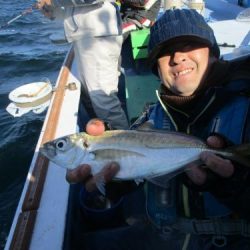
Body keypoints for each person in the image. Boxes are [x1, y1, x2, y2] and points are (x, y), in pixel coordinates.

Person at [66, 9, 250, 250]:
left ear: (213, 53)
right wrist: (116, 180)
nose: (177, 58)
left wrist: (238, 187)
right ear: (156, 69)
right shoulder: (151, 115)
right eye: (164, 53)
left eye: (190, 44)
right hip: (167, 236)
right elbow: (138, 172)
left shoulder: (246, 104)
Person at [37, 0, 129, 129]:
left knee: (103, 99)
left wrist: (54, 2)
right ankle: (105, 135)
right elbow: (74, 12)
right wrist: (52, 11)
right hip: (85, 38)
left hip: (98, 38)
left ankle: (123, 144)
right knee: (90, 96)